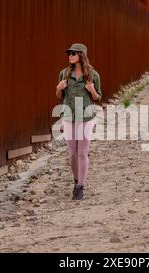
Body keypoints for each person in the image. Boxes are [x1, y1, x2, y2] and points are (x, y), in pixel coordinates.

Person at [55, 43, 102, 200]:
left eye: (73, 53)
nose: (70, 55)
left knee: (82, 152)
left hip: (86, 116)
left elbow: (97, 98)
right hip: (69, 115)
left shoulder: (93, 75)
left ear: (81, 55)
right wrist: (59, 87)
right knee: (73, 154)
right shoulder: (64, 74)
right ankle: (76, 179)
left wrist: (92, 90)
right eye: (69, 53)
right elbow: (59, 96)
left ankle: (80, 186)